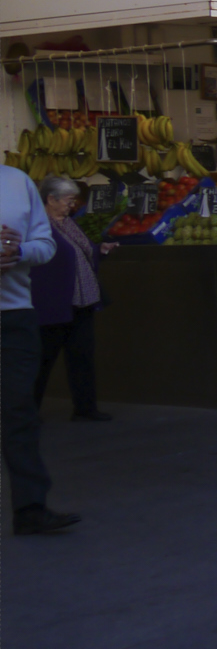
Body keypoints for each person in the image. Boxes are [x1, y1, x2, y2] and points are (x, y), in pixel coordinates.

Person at [1, 162, 71, 535]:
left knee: (19, 414)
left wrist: (19, 252)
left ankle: (30, 509)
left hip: (13, 318)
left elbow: (45, 246)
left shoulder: (17, 182)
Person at [31, 176, 114, 422]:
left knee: (82, 356)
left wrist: (100, 250)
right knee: (42, 361)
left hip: (83, 301)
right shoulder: (37, 227)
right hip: (54, 304)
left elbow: (82, 252)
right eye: (68, 199)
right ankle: (26, 412)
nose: (72, 204)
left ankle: (85, 408)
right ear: (51, 199)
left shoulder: (68, 223)